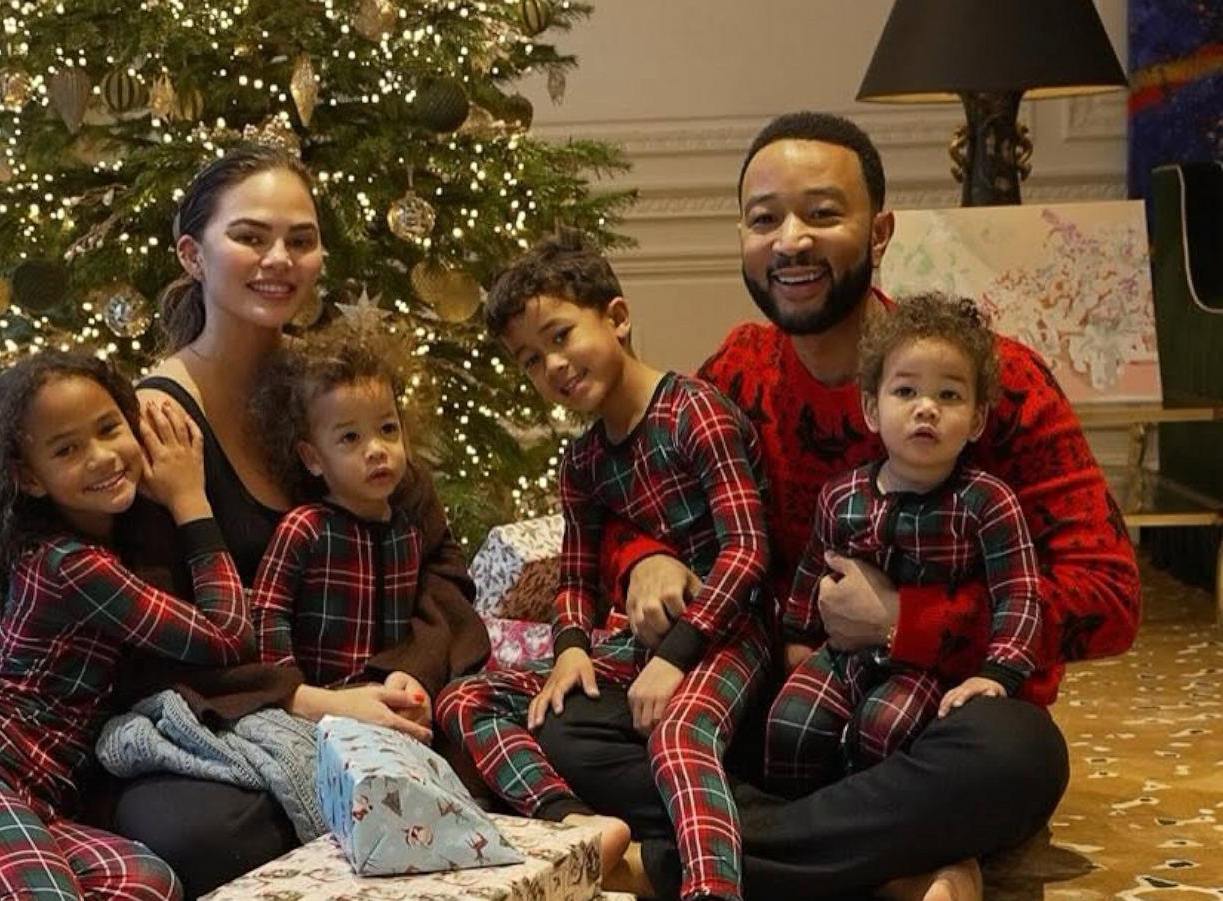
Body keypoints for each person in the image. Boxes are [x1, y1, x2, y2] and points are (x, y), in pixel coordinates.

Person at [534, 112, 1139, 901]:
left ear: (879, 230)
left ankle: (692, 855)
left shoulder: (991, 381)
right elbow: (636, 508)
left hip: (932, 710)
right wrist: (642, 557)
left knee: (1016, 758)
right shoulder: (739, 372)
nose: (791, 240)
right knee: (570, 727)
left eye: (823, 214)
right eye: (764, 219)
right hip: (781, 696)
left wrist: (905, 620)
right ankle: (890, 862)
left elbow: (1111, 596)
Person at [89, 144, 489, 896]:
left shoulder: (335, 387)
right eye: (250, 236)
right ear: (192, 254)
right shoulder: (155, 420)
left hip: (366, 691)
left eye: (300, 240)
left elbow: (437, 555)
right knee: (190, 834)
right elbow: (145, 632)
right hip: (225, 712)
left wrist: (403, 675)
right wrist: (305, 701)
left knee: (486, 746)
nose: (280, 258)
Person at [436, 231, 771, 901]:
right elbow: (578, 579)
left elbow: (748, 552)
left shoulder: (695, 415)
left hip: (730, 632)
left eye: (561, 336)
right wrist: (568, 649)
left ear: (617, 317)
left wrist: (677, 653)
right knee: (466, 697)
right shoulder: (583, 462)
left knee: (679, 734)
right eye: (531, 360)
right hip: (641, 640)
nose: (552, 366)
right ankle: (577, 830)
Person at [0, 351, 254, 900]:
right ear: (29, 478)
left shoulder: (104, 548)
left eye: (110, 429)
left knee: (149, 886)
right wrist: (190, 500)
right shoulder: (70, 566)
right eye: (68, 449)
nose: (103, 457)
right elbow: (228, 636)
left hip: (42, 800)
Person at [765, 293, 1042, 812]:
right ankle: (798, 816)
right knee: (790, 723)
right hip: (842, 655)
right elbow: (811, 568)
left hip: (921, 667)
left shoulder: (986, 502)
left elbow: (1020, 596)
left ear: (978, 419)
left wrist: (999, 671)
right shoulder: (842, 493)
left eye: (950, 396)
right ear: (872, 408)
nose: (926, 408)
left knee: (883, 730)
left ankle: (871, 826)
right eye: (906, 390)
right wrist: (798, 637)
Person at [246, 322, 434, 736]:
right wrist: (289, 693)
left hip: (389, 704)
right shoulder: (306, 528)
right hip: (315, 711)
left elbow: (414, 626)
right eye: (350, 437)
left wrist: (409, 683)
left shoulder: (408, 531)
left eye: (387, 429)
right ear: (313, 458)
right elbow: (268, 613)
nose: (376, 450)